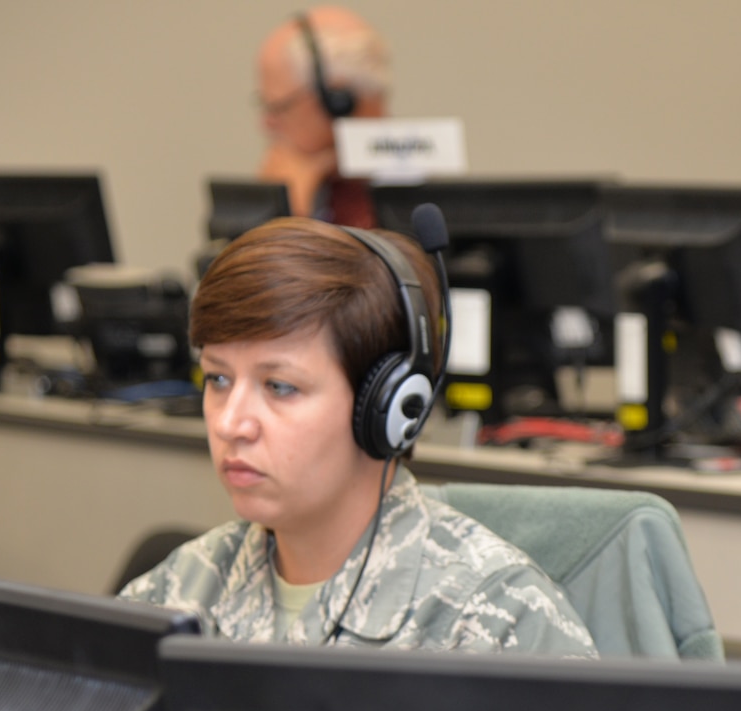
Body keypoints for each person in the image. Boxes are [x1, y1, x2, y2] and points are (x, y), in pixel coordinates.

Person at [121, 217, 595, 657]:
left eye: (280, 386)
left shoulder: (498, 622)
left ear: (386, 407)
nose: (230, 424)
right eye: (218, 380)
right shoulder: (180, 591)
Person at [255, 7, 390, 227]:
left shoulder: (411, 209)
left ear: (338, 103)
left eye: (277, 107)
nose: (266, 123)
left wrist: (290, 220)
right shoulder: (308, 183)